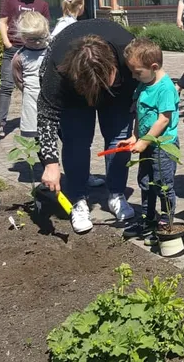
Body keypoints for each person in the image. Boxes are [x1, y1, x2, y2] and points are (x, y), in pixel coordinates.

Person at [37, 20, 139, 233]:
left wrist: (140, 122)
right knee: (76, 141)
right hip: (74, 99)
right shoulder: (57, 66)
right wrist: (50, 162)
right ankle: (78, 199)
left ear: (114, 66)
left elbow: (152, 78)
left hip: (118, 95)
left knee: (118, 138)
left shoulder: (129, 49)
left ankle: (116, 194)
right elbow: (46, 114)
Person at [118, 38, 181, 243]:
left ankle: (166, 220)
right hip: (146, 143)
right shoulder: (143, 84)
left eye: (137, 72)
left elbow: (164, 119)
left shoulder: (165, 88)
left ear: (153, 67)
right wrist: (135, 136)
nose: (134, 77)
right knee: (145, 182)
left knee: (163, 184)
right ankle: (148, 218)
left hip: (164, 146)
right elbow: (140, 113)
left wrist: (144, 141)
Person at [0, 0, 50, 138]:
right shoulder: (11, 0)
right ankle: (0, 123)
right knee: (6, 85)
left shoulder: (42, 5)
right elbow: (3, 22)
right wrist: (7, 43)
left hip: (35, 50)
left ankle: (39, 118)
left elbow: (45, 26)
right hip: (13, 48)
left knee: (33, 86)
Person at [11, 12, 50, 139]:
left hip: (53, 99)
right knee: (37, 136)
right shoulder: (20, 57)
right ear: (22, 37)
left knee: (59, 134)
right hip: (32, 100)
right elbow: (18, 79)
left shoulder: (52, 51)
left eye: (41, 38)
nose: (37, 42)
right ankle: (44, 159)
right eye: (32, 39)